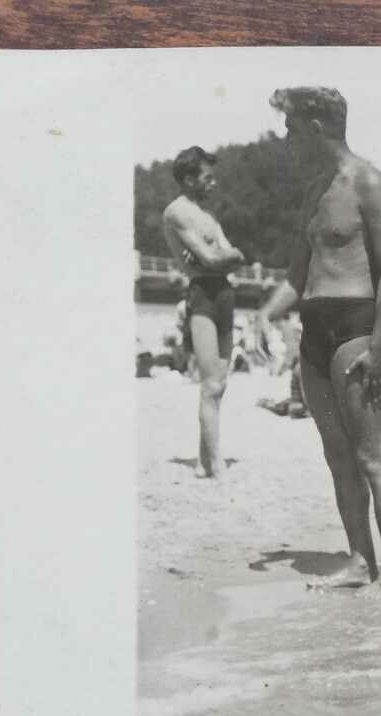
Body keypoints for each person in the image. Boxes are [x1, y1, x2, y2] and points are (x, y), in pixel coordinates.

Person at [258, 87, 381, 598]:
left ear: (316, 126)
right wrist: (265, 313)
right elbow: (298, 272)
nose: (286, 136)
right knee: (337, 456)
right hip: (314, 330)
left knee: (372, 456)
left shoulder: (367, 181)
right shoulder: (314, 190)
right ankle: (359, 560)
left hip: (356, 325)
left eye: (291, 126)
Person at [162, 145, 247, 479]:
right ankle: (216, 464)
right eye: (207, 178)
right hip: (203, 295)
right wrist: (229, 256)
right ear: (188, 179)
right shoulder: (177, 212)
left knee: (220, 385)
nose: (214, 184)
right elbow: (215, 259)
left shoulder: (208, 216)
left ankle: (201, 462)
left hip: (224, 294)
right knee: (210, 385)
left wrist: (228, 256)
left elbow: (230, 255)